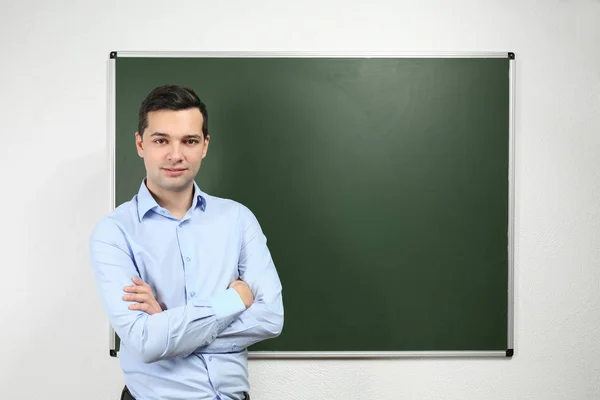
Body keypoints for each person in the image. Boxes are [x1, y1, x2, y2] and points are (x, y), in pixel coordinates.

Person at [89, 84, 284, 400]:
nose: (175, 154)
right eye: (161, 140)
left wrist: (168, 327)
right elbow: (144, 342)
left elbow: (271, 318)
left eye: (189, 141)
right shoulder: (113, 233)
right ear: (141, 144)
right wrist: (232, 301)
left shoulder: (238, 219)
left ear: (205, 145)